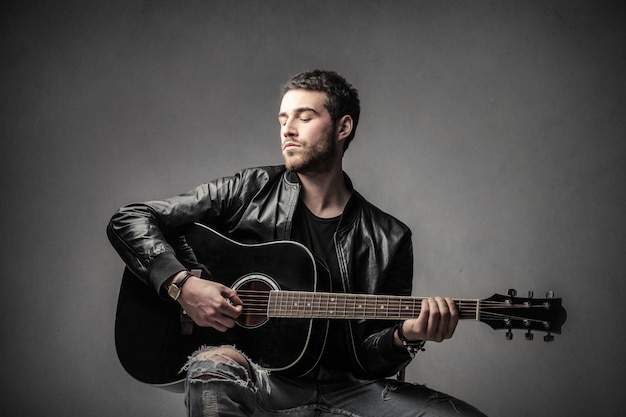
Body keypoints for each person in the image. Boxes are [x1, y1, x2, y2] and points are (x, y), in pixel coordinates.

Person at [107, 69, 486, 416]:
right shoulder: (248, 190)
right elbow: (131, 219)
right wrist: (182, 285)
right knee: (211, 368)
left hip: (350, 389)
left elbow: (370, 357)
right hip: (262, 381)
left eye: (304, 117)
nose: (288, 129)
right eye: (283, 119)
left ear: (343, 127)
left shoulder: (389, 237)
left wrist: (407, 336)